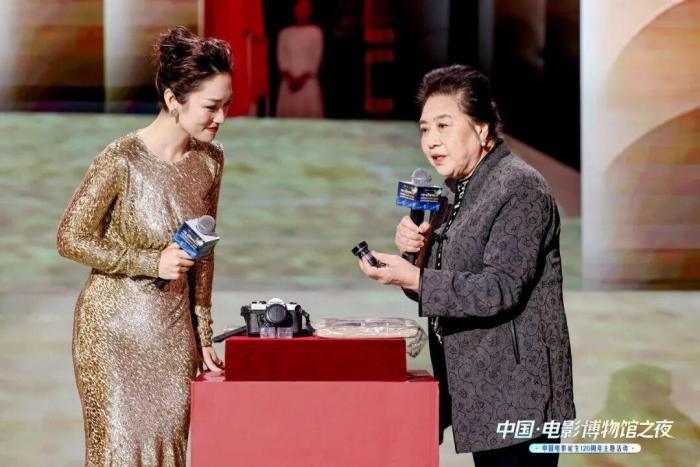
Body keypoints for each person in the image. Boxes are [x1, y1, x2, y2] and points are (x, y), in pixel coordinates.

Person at [358, 64, 575, 466]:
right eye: (425, 128)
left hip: (518, 397)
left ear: (481, 128)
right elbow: (443, 285)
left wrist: (417, 277)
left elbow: (498, 289)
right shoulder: (455, 190)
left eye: (444, 125)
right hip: (480, 388)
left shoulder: (519, 187)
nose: (431, 140)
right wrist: (415, 257)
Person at [57, 26, 231, 466]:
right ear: (174, 100)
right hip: (112, 333)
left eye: (226, 106)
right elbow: (70, 237)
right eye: (211, 106)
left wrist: (202, 330)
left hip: (172, 334)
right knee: (118, 453)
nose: (221, 118)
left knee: (168, 451)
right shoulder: (121, 158)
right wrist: (151, 261)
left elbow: (204, 251)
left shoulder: (211, 160)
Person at [276, 0, 324, 118]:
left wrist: (302, 79)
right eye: (299, 7)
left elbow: (316, 58)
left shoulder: (316, 32)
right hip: (288, 84)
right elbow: (281, 57)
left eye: (304, 8)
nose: (301, 11)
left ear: (310, 11)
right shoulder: (285, 33)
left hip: (308, 84)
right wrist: (290, 78)